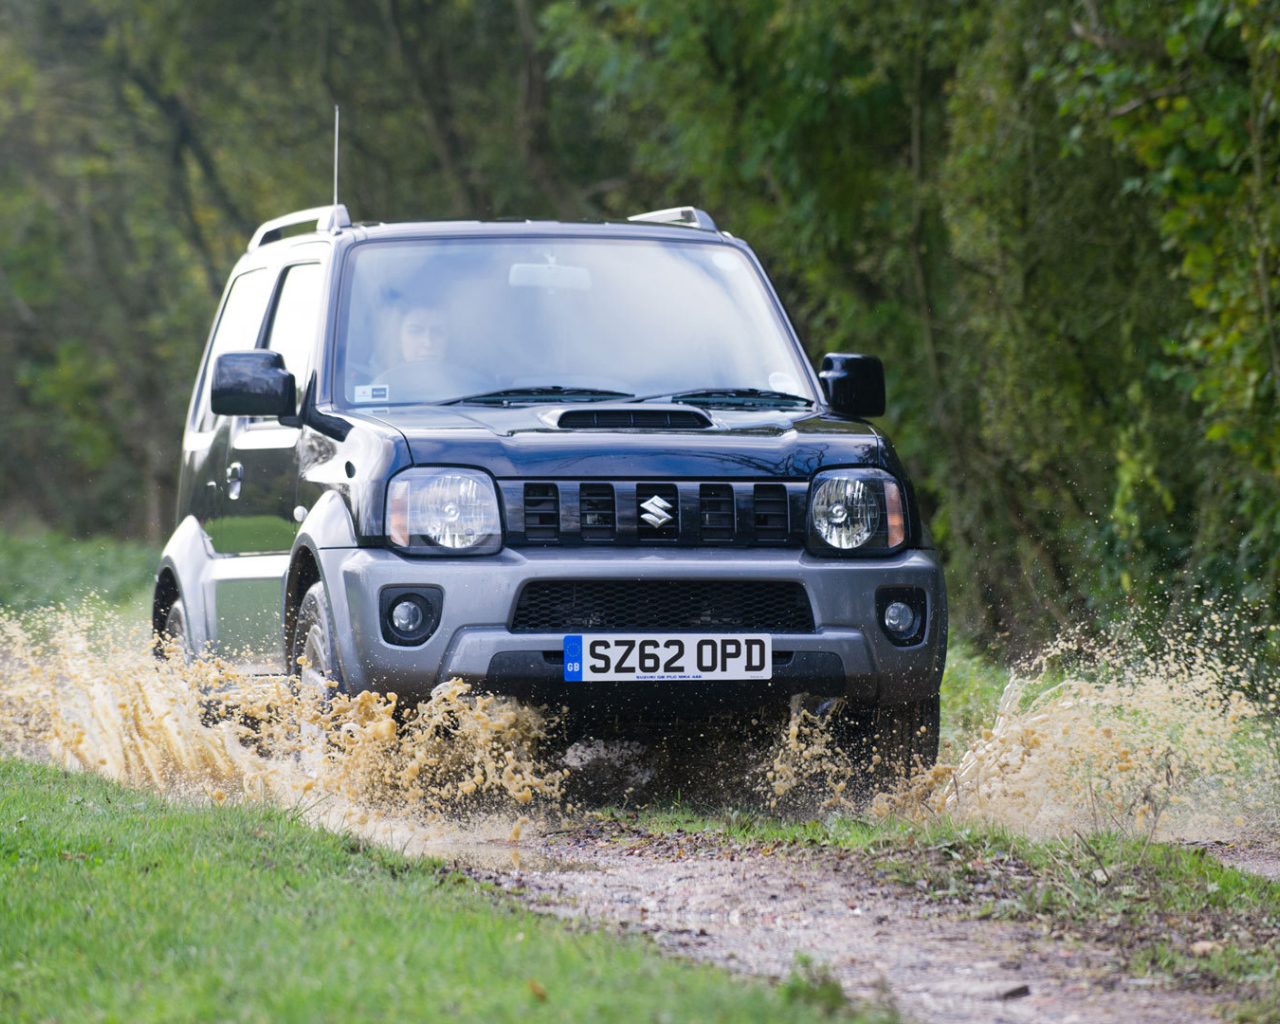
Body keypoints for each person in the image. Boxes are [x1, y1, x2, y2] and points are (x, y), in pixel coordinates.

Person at [372, 303, 486, 398]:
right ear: (398, 337)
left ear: (451, 339)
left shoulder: (475, 386)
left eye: (438, 332)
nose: (428, 343)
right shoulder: (373, 386)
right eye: (415, 331)